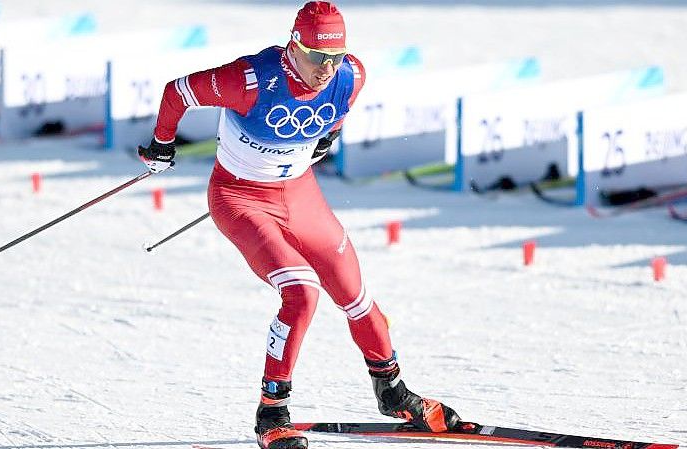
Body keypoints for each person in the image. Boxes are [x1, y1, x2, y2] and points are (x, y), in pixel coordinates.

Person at [138, 2, 462, 449]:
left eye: (335, 56)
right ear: (294, 45)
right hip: (240, 199)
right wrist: (161, 144)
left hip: (299, 195)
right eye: (316, 57)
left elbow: (338, 110)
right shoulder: (248, 80)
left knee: (355, 293)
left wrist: (326, 139)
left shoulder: (351, 75)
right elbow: (176, 93)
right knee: (301, 291)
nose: (326, 69)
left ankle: (391, 390)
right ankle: (272, 413)